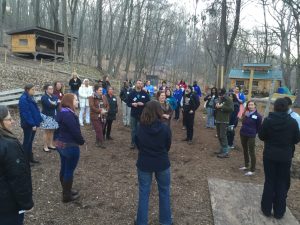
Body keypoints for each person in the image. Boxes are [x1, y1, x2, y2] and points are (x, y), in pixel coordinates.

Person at [259, 98, 300, 219]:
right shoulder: (292, 122)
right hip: (285, 156)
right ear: (287, 107)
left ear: (275, 107)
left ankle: (266, 209)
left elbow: (261, 136)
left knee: (270, 181)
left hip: (270, 155)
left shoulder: (268, 121)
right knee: (282, 183)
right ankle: (279, 212)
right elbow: (297, 139)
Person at [135, 101, 172, 225]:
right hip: (161, 163)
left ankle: (141, 222)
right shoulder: (165, 128)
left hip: (145, 162)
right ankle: (166, 222)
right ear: (158, 111)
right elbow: (167, 146)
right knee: (164, 192)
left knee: (144, 193)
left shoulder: (140, 127)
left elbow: (138, 144)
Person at [0, 106, 34, 225]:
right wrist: (26, 203)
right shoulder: (8, 145)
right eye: (9, 119)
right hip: (7, 205)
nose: (13, 121)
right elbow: (18, 177)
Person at [56, 94, 85, 203]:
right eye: (76, 100)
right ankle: (66, 195)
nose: (77, 102)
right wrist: (81, 141)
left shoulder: (62, 111)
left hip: (61, 144)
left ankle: (66, 190)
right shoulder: (68, 114)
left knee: (64, 167)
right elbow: (75, 132)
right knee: (68, 170)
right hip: (69, 146)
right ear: (69, 101)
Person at [19, 84, 43, 164]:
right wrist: (32, 124)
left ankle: (30, 158)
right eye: (32, 89)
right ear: (27, 90)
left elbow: (34, 110)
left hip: (33, 123)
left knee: (30, 141)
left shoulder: (30, 97)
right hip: (28, 124)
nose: (34, 91)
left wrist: (38, 120)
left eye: (34, 89)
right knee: (27, 142)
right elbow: (26, 113)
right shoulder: (23, 99)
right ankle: (24, 161)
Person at [239, 101, 262, 176]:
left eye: (252, 105)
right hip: (243, 133)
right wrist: (243, 116)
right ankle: (246, 165)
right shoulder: (245, 114)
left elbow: (259, 127)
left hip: (251, 135)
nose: (250, 106)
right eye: (249, 105)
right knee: (245, 149)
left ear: (255, 106)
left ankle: (252, 169)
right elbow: (242, 122)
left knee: (251, 151)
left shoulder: (258, 116)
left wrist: (254, 133)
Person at [127, 80, 150, 149]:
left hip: (142, 115)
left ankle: (139, 143)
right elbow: (128, 103)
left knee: (140, 130)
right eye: (138, 83)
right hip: (133, 114)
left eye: (141, 83)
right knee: (133, 130)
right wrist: (132, 104)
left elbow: (149, 103)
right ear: (136, 84)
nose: (139, 85)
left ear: (142, 85)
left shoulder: (145, 93)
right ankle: (133, 143)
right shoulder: (131, 93)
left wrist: (143, 104)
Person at [215, 88, 233, 158]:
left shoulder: (228, 100)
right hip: (218, 119)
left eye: (221, 94)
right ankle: (222, 149)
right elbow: (217, 107)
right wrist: (216, 106)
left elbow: (231, 109)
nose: (220, 95)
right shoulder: (220, 99)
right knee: (219, 135)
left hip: (224, 120)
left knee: (223, 135)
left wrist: (222, 107)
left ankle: (226, 152)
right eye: (219, 94)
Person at [40, 84, 59, 152]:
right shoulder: (44, 97)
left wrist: (54, 103)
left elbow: (57, 102)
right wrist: (54, 103)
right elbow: (49, 105)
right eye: (50, 89)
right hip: (47, 116)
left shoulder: (54, 96)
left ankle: (50, 144)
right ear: (46, 90)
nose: (51, 90)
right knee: (47, 131)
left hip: (53, 115)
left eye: (52, 89)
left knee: (52, 131)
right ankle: (45, 146)